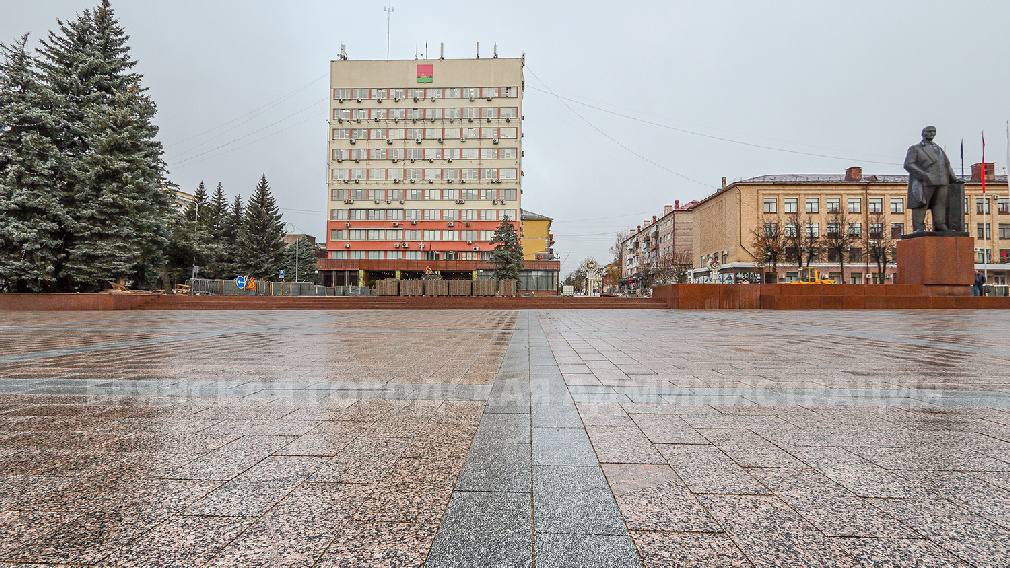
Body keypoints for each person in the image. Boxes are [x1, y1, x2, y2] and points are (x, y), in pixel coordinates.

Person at [903, 126, 961, 233]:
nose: (932, 134)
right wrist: (924, 175)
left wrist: (953, 178)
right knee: (921, 203)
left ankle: (940, 224)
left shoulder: (939, 149)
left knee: (940, 203)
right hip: (925, 181)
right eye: (929, 131)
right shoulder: (916, 148)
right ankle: (918, 227)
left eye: (934, 132)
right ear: (923, 133)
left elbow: (946, 165)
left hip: (942, 181)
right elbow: (908, 164)